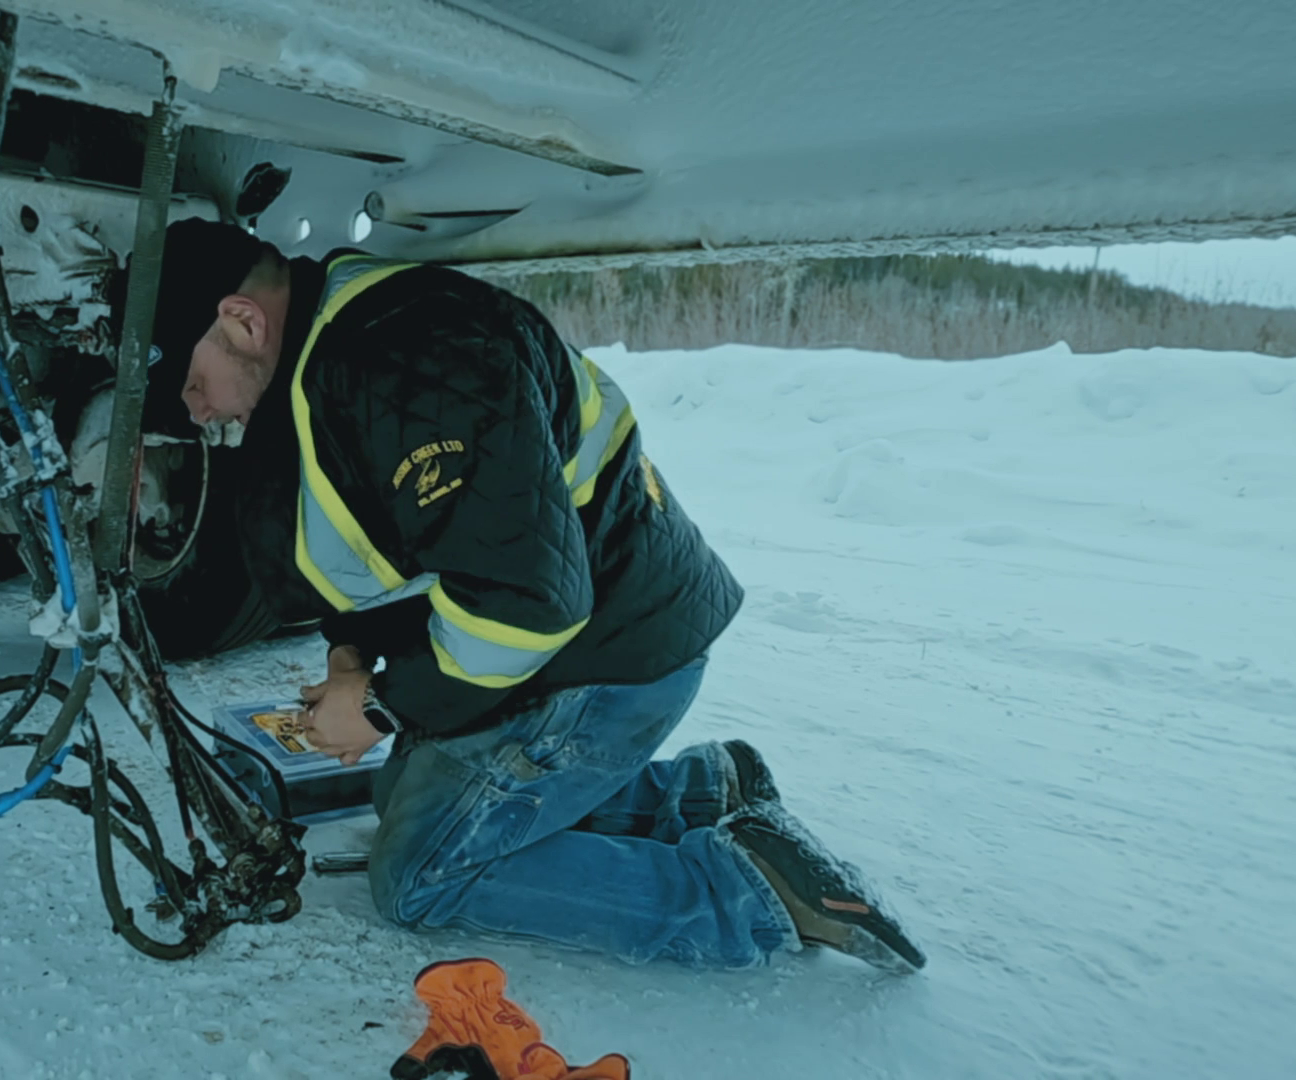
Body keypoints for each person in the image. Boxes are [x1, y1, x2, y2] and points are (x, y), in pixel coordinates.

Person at [144, 218, 925, 974]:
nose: (198, 411)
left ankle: (747, 895)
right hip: (599, 631)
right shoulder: (339, 342)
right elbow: (397, 544)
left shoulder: (416, 359)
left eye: (191, 384)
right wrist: (351, 660)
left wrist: (381, 705)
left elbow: (525, 604)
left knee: (420, 870)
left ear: (242, 322)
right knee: (402, 797)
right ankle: (702, 793)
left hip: (607, 657)